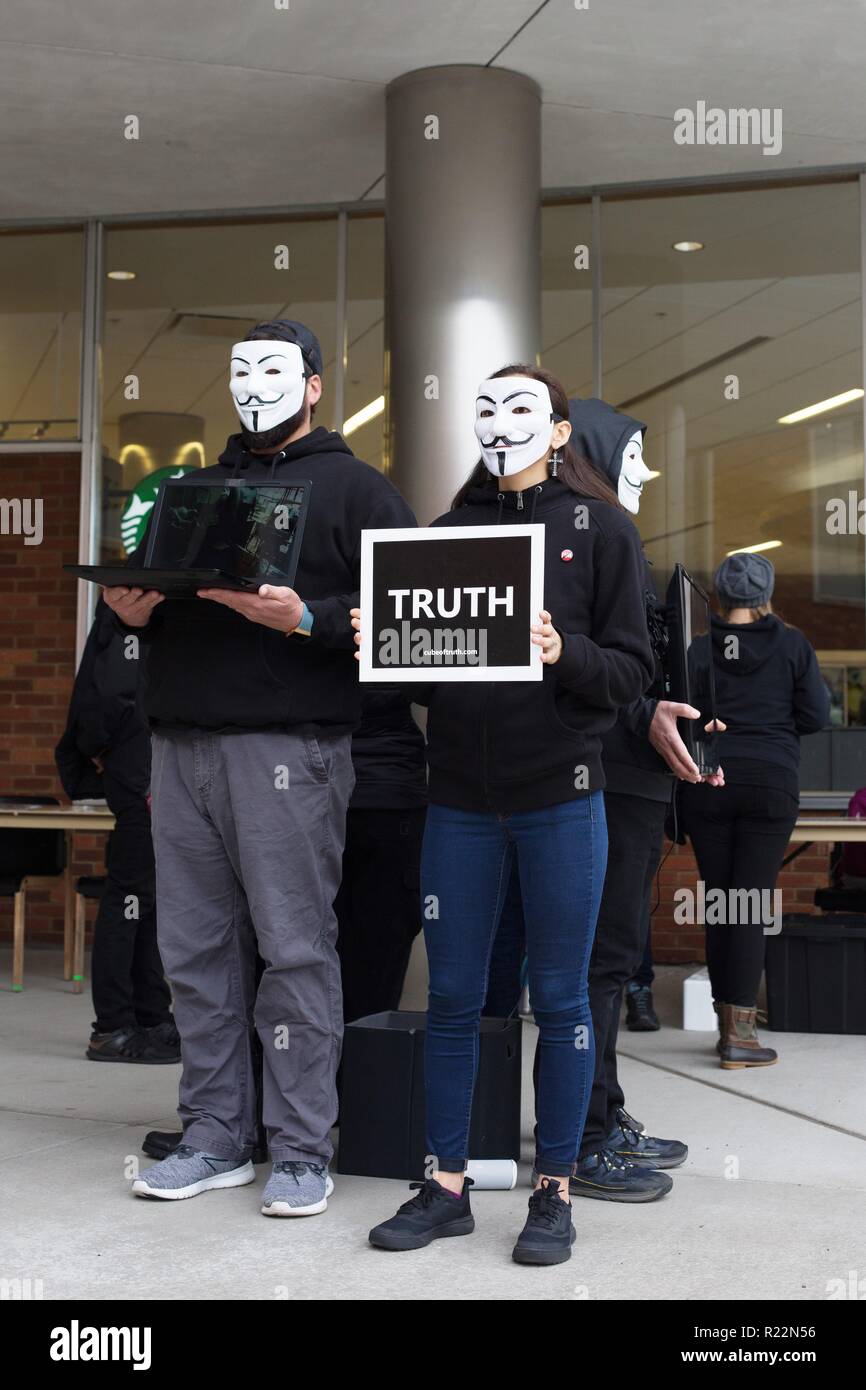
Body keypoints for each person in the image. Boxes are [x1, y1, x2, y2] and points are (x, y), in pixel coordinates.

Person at [102, 318, 414, 1217]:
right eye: (240, 370)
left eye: (274, 369)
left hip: (291, 751)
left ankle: (304, 1147)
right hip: (179, 746)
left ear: (315, 384)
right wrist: (127, 614)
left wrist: (308, 618)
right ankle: (214, 1135)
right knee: (195, 953)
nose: (254, 383)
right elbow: (149, 615)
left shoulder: (358, 489)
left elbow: (403, 618)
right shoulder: (188, 489)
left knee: (294, 950)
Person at [359, 364, 655, 1265]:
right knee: (453, 998)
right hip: (456, 802)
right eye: (484, 408)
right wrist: (382, 643)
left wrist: (565, 654)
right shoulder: (446, 532)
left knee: (560, 997)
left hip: (561, 799)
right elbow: (419, 661)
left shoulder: (602, 529)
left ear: (561, 431)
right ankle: (446, 1184)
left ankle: (554, 1191)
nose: (501, 422)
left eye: (523, 407)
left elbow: (632, 673)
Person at [484, 397, 723, 1202]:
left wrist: (685, 703)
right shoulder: (558, 548)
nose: (648, 474)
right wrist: (640, 709)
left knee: (607, 965)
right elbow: (575, 672)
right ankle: (582, 1137)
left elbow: (629, 664)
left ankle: (600, 1111)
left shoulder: (609, 544)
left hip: (632, 781)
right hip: (600, 782)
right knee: (591, 966)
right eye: (633, 456)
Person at [681, 553, 829, 1068]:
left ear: (722, 596)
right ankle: (738, 1034)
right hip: (770, 784)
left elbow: (682, 717)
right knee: (746, 904)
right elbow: (813, 715)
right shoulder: (792, 644)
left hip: (709, 783)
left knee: (722, 902)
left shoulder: (699, 651)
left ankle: (729, 1022)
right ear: (764, 595)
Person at [55, 597, 179, 1064]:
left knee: (147, 902)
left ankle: (150, 1016)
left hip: (145, 768)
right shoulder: (130, 605)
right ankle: (112, 1027)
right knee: (128, 900)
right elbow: (106, 698)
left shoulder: (140, 605)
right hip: (141, 772)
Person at [336, 689, 427, 1026]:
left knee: (292, 963)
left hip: (382, 787)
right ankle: (365, 1071)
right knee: (374, 976)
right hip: (387, 785)